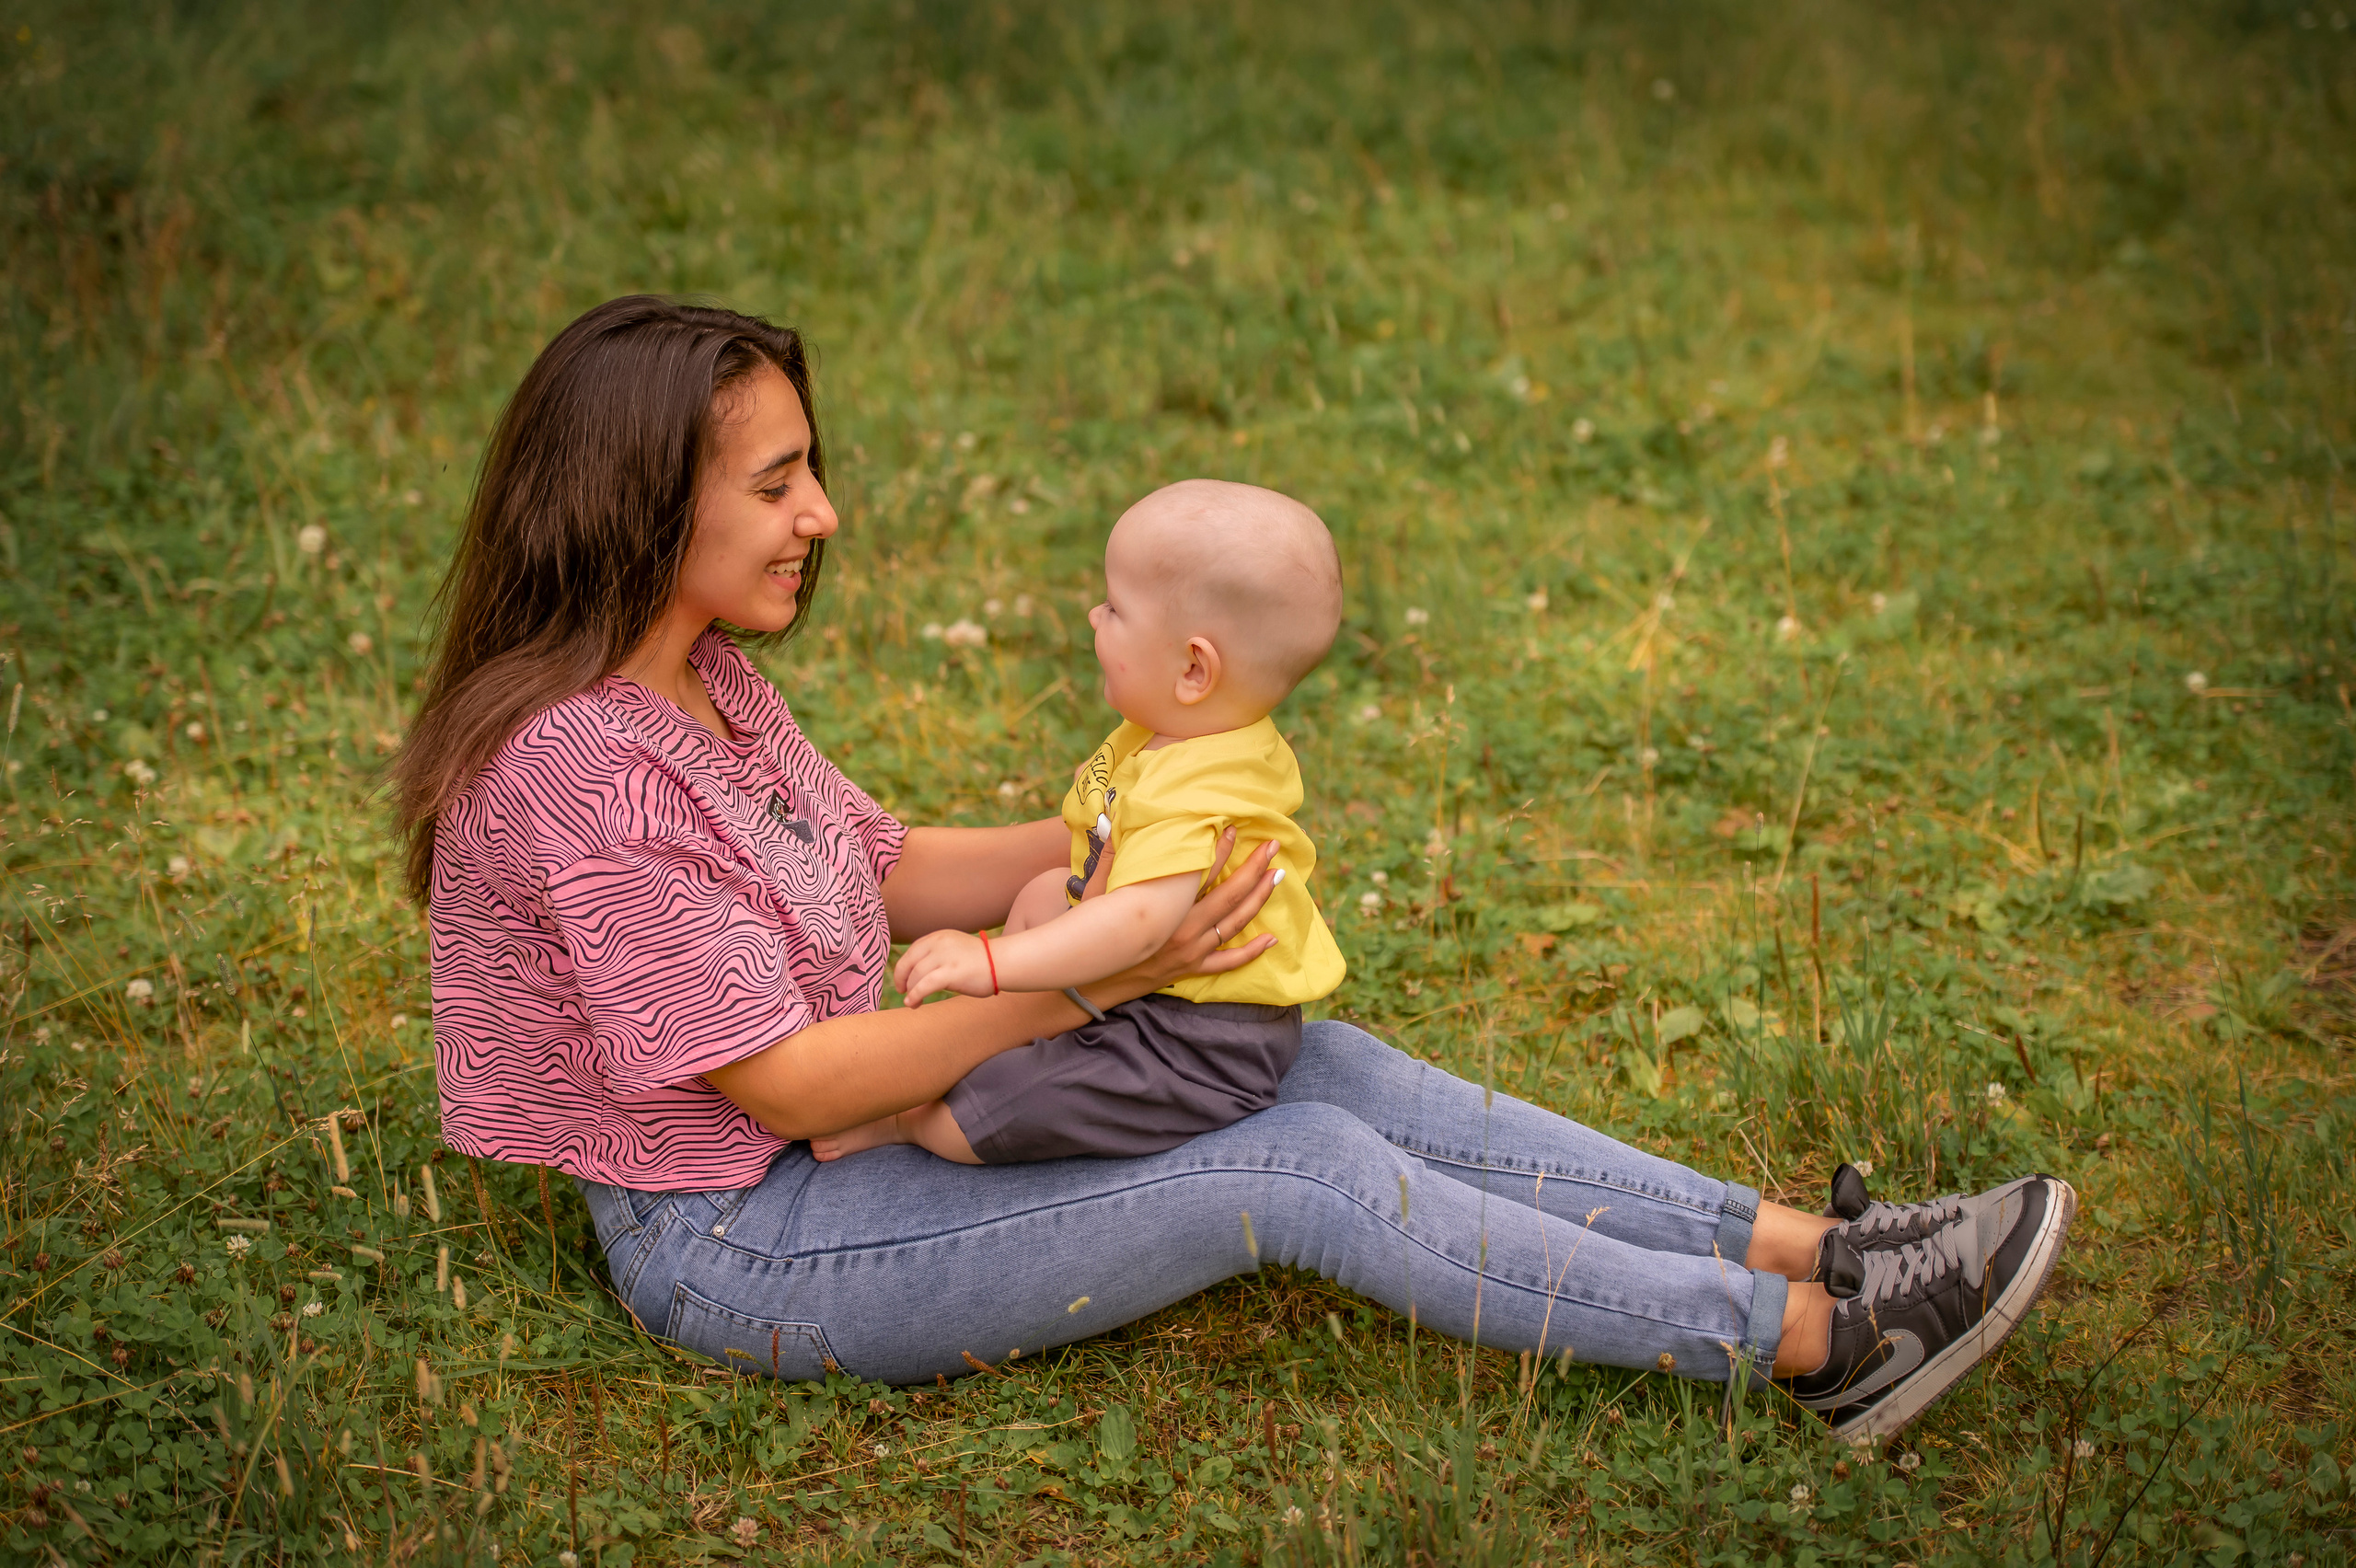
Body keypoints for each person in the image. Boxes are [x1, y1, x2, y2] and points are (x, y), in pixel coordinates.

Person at [398, 295, 2074, 1443]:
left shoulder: (704, 675)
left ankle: (1812, 1246)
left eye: (808, 467)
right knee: (1294, 1172)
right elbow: (781, 1085)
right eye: (776, 483)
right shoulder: (577, 767)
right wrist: (1082, 972)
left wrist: (1151, 849)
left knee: (1308, 1058)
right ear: (638, 502)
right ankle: (1818, 1349)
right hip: (752, 1242)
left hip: (852, 1140)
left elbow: (888, 863)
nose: (822, 510)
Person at [812, 478, 1348, 1166]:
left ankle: (907, 1126)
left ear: (1193, 667)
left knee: (982, 1112)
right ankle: (1028, 1033)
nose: (1095, 618)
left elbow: (1138, 926)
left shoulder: (1196, 789)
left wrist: (992, 962)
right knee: (1043, 890)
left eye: (1115, 609)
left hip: (1194, 1041)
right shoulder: (1185, 735)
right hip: (1164, 998)